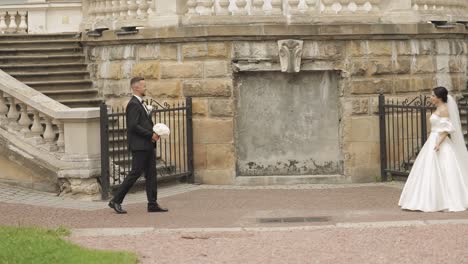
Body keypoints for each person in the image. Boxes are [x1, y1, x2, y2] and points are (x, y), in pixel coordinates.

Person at [399, 87, 468, 212]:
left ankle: (443, 199)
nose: (430, 97)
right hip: (433, 138)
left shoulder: (444, 110)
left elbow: (446, 130)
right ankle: (425, 198)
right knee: (427, 168)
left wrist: (438, 144)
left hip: (439, 141)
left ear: (439, 98)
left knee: (445, 168)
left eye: (432, 95)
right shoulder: (438, 109)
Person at [108, 77, 168, 214]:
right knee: (135, 173)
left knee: (151, 175)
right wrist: (150, 134)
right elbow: (133, 126)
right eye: (144, 86)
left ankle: (152, 204)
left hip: (148, 145)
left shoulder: (141, 103)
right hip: (140, 146)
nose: (146, 88)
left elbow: (142, 123)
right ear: (136, 88)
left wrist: (154, 132)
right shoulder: (133, 104)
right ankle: (116, 200)